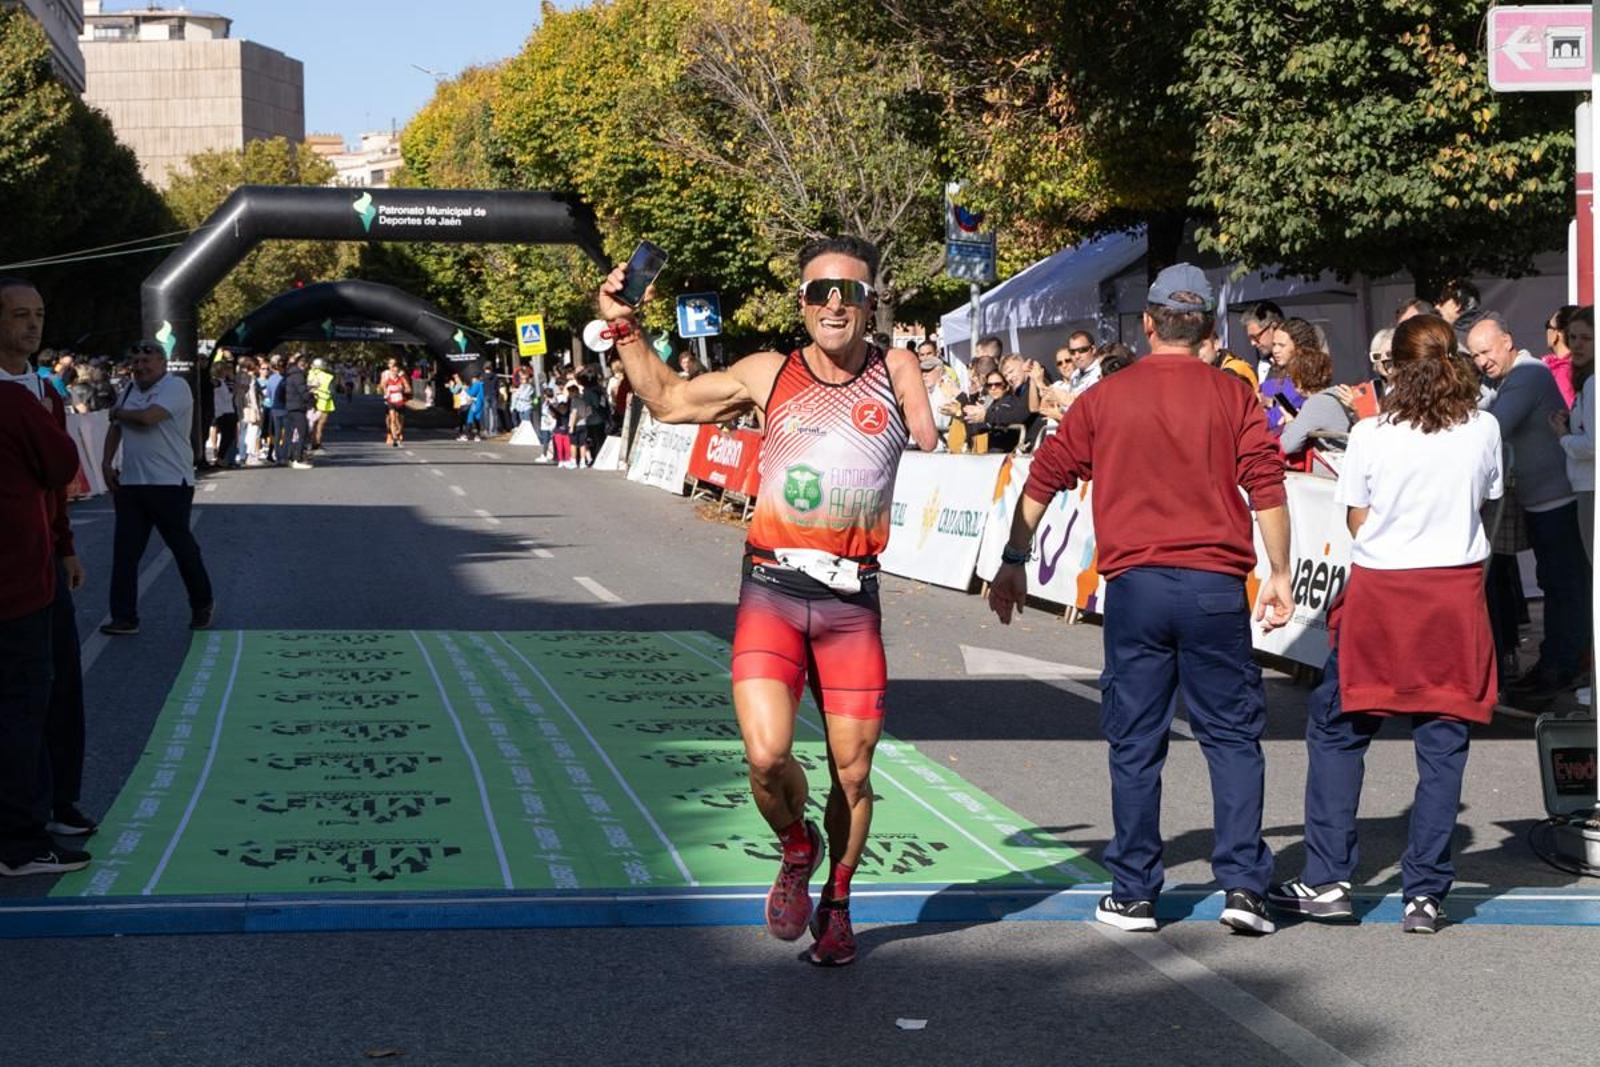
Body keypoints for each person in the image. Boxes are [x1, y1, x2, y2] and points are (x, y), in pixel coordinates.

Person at [598, 235, 938, 966]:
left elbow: (928, 435)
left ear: (871, 302)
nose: (834, 305)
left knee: (853, 773)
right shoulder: (768, 372)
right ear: (801, 302)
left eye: (850, 292)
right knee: (765, 756)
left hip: (851, 598)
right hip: (773, 590)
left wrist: (915, 391)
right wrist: (624, 326)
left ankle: (838, 902)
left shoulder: (895, 369)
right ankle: (797, 844)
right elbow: (668, 400)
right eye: (820, 292)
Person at [988, 263, 1293, 937]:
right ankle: (1244, 888)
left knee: (1135, 740)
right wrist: (1280, 570)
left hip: (1137, 587)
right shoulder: (1233, 395)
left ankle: (1134, 893)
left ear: (1149, 324)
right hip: (1215, 584)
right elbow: (1266, 483)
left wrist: (1013, 559)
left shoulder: (1105, 396)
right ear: (1208, 329)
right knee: (1232, 737)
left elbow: (1044, 476)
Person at [1270, 315, 1502, 934]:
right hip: (1451, 593)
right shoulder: (1483, 427)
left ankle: (1328, 879)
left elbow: (1356, 520)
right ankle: (1424, 892)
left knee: (1339, 729)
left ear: (1394, 367)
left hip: (1383, 590)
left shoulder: (1372, 433)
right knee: (1443, 741)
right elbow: (1485, 500)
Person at [0, 278, 98, 855]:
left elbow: (56, 485)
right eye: (19, 315)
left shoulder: (45, 390)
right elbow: (58, 462)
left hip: (43, 559)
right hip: (13, 571)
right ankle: (23, 825)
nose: (33, 325)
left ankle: (59, 801)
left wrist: (65, 546)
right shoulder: (19, 399)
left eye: (38, 314)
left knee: (60, 685)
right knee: (22, 695)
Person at [1469, 313, 1591, 706]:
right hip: (1544, 501)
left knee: (1565, 588)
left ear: (1507, 341)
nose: (1481, 361)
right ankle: (1555, 663)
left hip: (1558, 501)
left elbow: (1491, 428)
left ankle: (1565, 667)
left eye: (1486, 351)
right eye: (1475, 356)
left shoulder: (1527, 375)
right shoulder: (1510, 379)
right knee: (1556, 586)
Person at [99, 341, 215, 636]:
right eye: (136, 362)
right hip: (132, 484)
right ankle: (124, 617)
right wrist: (106, 462)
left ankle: (202, 603)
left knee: (182, 549)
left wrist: (117, 412)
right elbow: (115, 428)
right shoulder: (128, 389)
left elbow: (148, 418)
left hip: (170, 484)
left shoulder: (176, 387)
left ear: (163, 363)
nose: (140, 367)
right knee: (125, 554)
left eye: (146, 362)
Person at [1552, 306, 1594, 560]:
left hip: (1591, 487)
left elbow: (1592, 446)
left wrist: (1563, 436)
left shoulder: (1593, 383)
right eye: (1573, 337)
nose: (1576, 345)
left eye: (1586, 338)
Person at [1278, 346, 1346, 456]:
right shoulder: (1338, 394)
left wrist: (1290, 422)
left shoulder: (1316, 403)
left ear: (1299, 379)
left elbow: (1287, 446)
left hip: (1332, 465)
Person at [1260, 317, 1319, 436]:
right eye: (1274, 344)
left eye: (1281, 345)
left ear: (1299, 347)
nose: (1275, 350)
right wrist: (1269, 402)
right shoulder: (1277, 376)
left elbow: (1277, 418)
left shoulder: (1305, 381)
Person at [1541, 305, 1581, 409]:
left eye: (1548, 325)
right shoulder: (1580, 366)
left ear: (1556, 334)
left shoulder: (1562, 372)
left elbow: (1567, 411)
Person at [281, 354, 313, 469]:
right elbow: (303, 393)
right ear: (304, 364)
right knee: (302, 433)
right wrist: (312, 396)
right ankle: (297, 458)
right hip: (297, 407)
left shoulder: (290, 374)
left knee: (290, 434)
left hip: (289, 406)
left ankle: (289, 457)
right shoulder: (299, 376)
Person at [1240, 300, 1284, 382]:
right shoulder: (1264, 363)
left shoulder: (1300, 362)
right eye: (1250, 338)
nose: (1252, 343)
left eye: (1256, 337)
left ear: (1274, 327)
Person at [307, 356, 335, 453]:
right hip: (323, 401)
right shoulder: (327, 376)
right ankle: (317, 443)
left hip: (311, 400)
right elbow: (331, 389)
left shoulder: (309, 374)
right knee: (320, 424)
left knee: (312, 423)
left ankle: (312, 442)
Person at [380, 358, 410, 447]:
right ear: (388, 365)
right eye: (391, 363)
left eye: (394, 364)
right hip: (389, 399)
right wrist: (386, 391)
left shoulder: (401, 374)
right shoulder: (385, 373)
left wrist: (402, 389)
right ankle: (390, 434)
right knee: (389, 417)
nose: (392, 365)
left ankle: (398, 432)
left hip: (400, 399)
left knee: (398, 417)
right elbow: (382, 385)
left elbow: (407, 387)